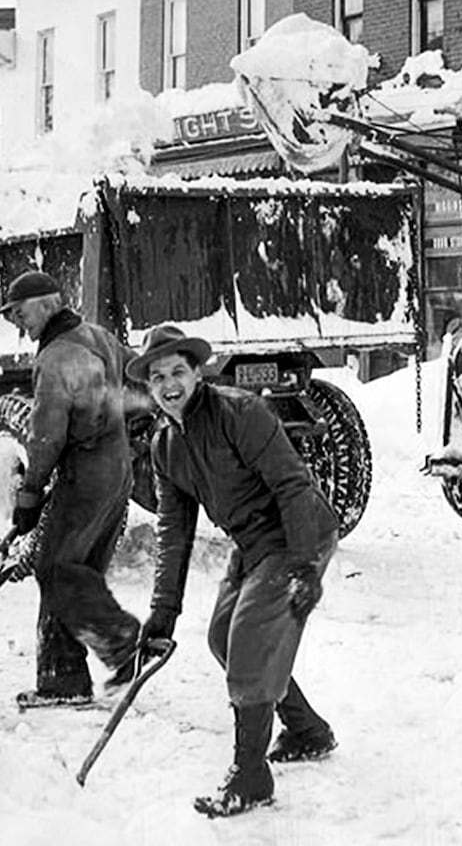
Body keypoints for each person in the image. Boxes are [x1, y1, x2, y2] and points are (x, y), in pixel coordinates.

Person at [131, 324, 340, 819]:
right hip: (252, 544)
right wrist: (163, 613)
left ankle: (251, 777)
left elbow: (293, 487)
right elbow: (174, 531)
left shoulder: (240, 413)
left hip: (298, 532)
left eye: (178, 371)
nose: (168, 385)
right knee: (224, 637)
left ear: (197, 372)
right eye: (157, 377)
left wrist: (307, 568)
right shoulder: (166, 447)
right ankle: (308, 730)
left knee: (249, 638)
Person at [2, 269, 143, 710]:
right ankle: (64, 678)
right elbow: (137, 381)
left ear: (47, 303)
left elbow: (46, 435)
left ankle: (123, 644)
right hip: (117, 466)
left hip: (87, 468)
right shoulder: (98, 336)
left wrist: (29, 494)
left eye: (20, 313)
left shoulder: (56, 356)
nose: (18, 323)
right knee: (78, 568)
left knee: (56, 569)